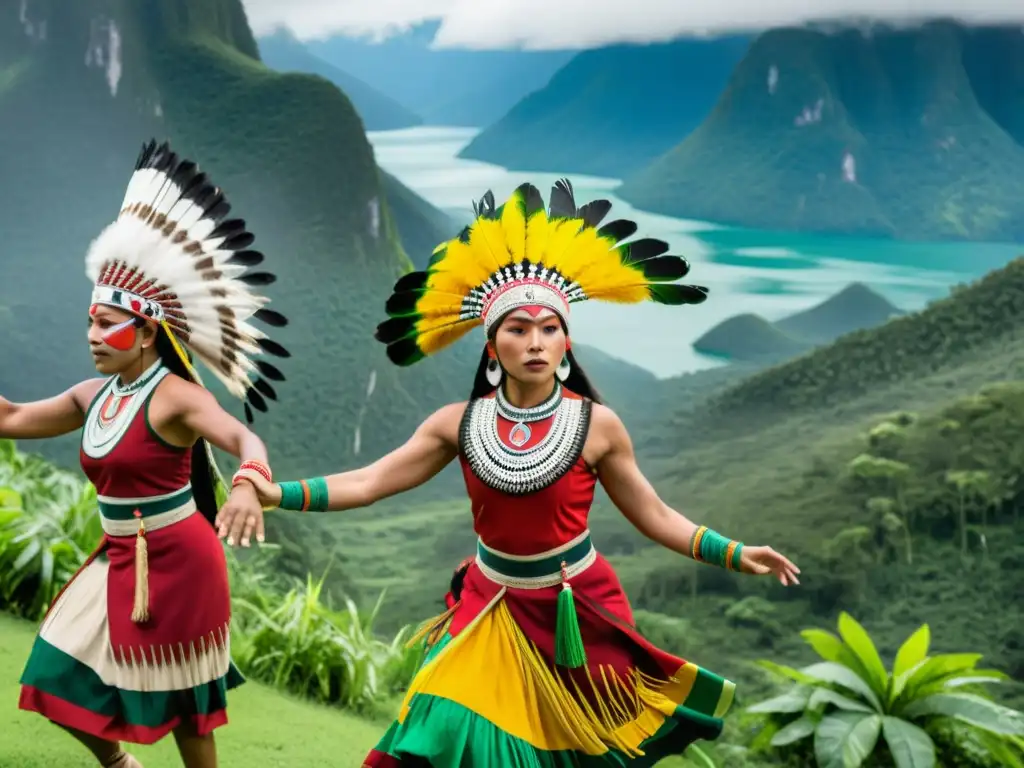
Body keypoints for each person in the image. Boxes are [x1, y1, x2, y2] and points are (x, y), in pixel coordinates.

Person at [232, 180, 801, 767]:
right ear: (490, 345)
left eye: (549, 329)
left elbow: (654, 515)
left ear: (566, 342)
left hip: (573, 614)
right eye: (518, 329)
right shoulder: (456, 424)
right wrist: (275, 493)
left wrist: (735, 553)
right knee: (435, 727)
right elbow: (372, 481)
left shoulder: (598, 426)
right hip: (488, 608)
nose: (535, 342)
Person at [7, 140, 291, 768]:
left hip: (182, 559)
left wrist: (247, 483)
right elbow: (12, 417)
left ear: (146, 332)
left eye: (108, 324)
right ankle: (120, 764)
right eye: (88, 323)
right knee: (50, 672)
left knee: (190, 712)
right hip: (116, 556)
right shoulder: (93, 395)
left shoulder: (177, 399)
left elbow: (245, 437)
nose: (93, 337)